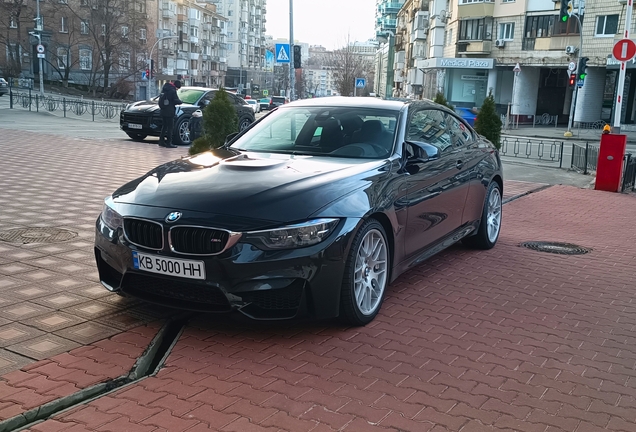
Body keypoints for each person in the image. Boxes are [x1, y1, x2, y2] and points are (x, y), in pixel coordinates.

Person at [158, 80, 183, 148]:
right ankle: (169, 142)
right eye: (177, 88)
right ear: (176, 86)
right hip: (169, 111)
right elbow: (175, 100)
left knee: (164, 126)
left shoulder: (165, 88)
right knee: (170, 127)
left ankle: (161, 141)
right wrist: (180, 101)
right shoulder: (172, 90)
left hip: (163, 110)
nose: (177, 90)